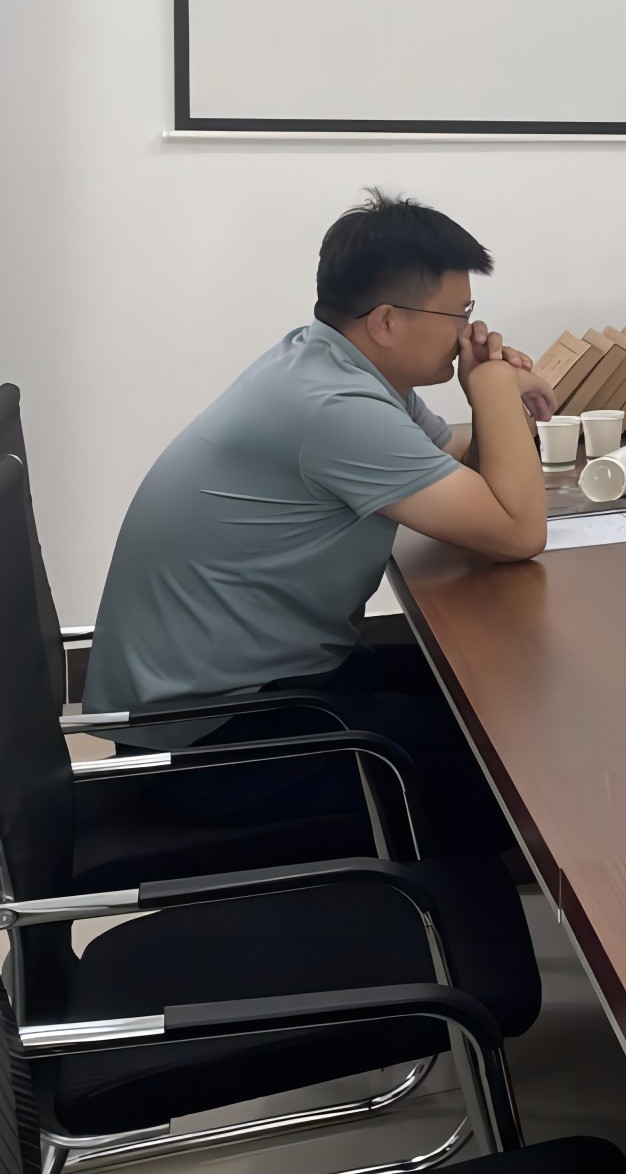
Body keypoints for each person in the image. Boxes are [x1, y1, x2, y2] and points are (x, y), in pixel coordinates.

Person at [84, 190, 556, 849]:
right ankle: (457, 901)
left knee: (490, 698)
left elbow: (458, 471)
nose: (467, 334)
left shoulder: (332, 363)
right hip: (208, 745)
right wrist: (495, 389)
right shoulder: (334, 407)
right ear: (387, 321)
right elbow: (517, 532)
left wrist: (489, 397)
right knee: (500, 761)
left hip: (253, 690)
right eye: (459, 315)